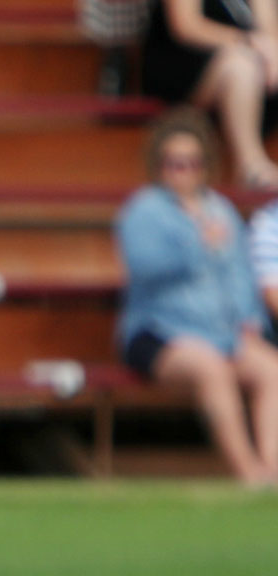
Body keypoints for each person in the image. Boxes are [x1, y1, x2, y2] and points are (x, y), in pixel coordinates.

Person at [116, 111, 278, 486]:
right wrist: (195, 245)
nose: (184, 172)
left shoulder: (220, 210)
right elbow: (144, 267)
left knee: (271, 369)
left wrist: (250, 321)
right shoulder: (143, 211)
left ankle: (273, 467)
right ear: (159, 165)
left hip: (221, 331)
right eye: (175, 163)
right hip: (161, 331)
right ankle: (248, 472)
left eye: (193, 163)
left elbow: (241, 275)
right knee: (211, 368)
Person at [140, 0, 278, 189]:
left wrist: (271, 53)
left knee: (252, 62)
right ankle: (251, 167)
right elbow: (186, 26)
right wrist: (249, 42)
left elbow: (269, 26)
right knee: (240, 65)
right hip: (185, 62)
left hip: (251, 58)